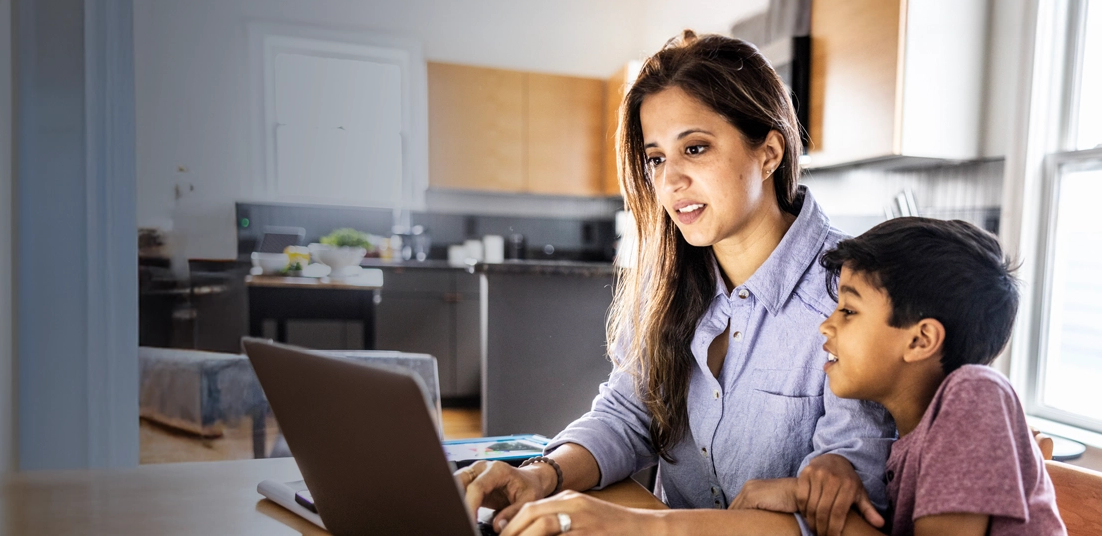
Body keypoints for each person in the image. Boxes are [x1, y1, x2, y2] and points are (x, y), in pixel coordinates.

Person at [455, 31, 897, 536]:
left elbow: (839, 507)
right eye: (657, 158)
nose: (669, 182)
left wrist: (637, 525)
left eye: (696, 148)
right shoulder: (668, 278)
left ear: (769, 152)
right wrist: (540, 475)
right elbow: (627, 415)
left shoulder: (853, 295)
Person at [730, 218, 1065, 535]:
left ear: (920, 340)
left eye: (849, 310)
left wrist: (804, 500)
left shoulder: (975, 394)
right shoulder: (907, 445)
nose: (826, 325)